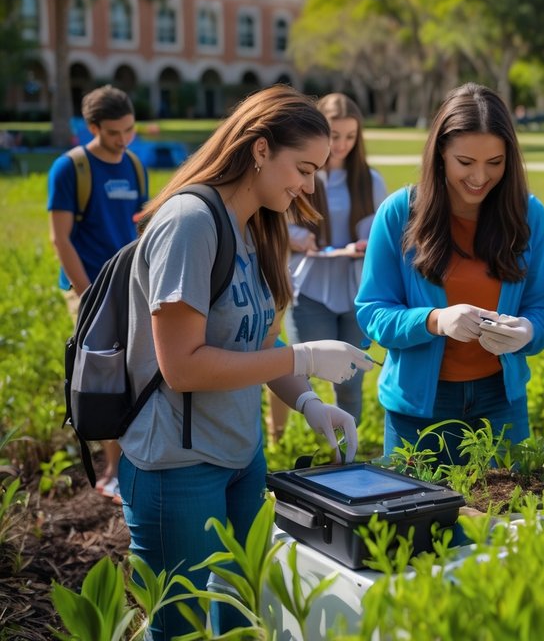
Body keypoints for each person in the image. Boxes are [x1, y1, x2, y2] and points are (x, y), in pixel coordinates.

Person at [117, 85, 375, 640]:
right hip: (176, 466)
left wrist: (307, 400)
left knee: (243, 621)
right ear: (260, 149)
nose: (310, 186)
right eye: (303, 168)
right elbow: (182, 366)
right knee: (182, 628)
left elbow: (259, 345)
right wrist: (305, 354)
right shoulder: (189, 222)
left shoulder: (259, 223)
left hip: (241, 455)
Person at [357, 83, 544, 462]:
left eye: (495, 163)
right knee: (416, 518)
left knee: (506, 519)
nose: (480, 177)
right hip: (417, 410)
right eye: (465, 163)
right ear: (440, 155)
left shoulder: (530, 215)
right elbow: (371, 313)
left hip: (501, 403)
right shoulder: (398, 212)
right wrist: (434, 320)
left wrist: (527, 331)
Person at [47, 85, 147, 503]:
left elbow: (141, 226)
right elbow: (61, 239)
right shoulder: (71, 168)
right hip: (87, 288)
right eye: (113, 133)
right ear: (91, 128)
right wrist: (89, 295)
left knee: (137, 372)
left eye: (129, 130)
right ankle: (112, 470)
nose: (122, 140)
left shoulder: (136, 166)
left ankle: (138, 460)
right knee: (101, 376)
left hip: (130, 286)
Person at [283, 93, 388, 429]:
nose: (341, 145)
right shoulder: (302, 175)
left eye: (350, 136)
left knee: (350, 381)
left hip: (355, 292)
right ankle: (301, 453)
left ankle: (345, 460)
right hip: (311, 289)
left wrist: (368, 242)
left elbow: (381, 232)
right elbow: (275, 223)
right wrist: (294, 237)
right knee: (303, 378)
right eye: (334, 135)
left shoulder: (370, 180)